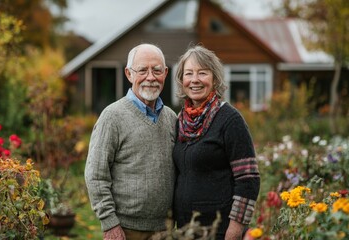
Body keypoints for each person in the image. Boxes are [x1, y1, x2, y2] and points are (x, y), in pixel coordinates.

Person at [84, 43, 177, 240]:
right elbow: (96, 175)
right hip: (126, 230)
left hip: (165, 229)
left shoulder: (171, 118)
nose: (150, 77)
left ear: (165, 73)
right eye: (142, 70)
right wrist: (110, 224)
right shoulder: (112, 116)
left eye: (157, 70)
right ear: (129, 74)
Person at [173, 45, 260, 240]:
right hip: (185, 229)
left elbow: (248, 179)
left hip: (219, 230)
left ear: (214, 79)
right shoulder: (180, 121)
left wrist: (235, 229)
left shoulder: (229, 120)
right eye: (189, 74)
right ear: (182, 80)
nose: (195, 80)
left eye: (202, 73)